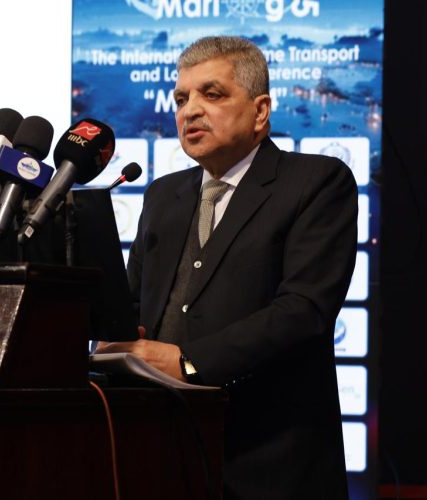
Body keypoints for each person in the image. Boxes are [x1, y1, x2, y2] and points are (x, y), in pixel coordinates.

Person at [95, 36, 357, 499]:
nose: (190, 111)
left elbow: (304, 310)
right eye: (181, 99)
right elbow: (134, 305)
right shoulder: (163, 195)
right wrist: (114, 342)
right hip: (160, 451)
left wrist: (189, 362)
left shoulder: (316, 181)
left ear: (260, 112)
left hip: (269, 462)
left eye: (211, 94)